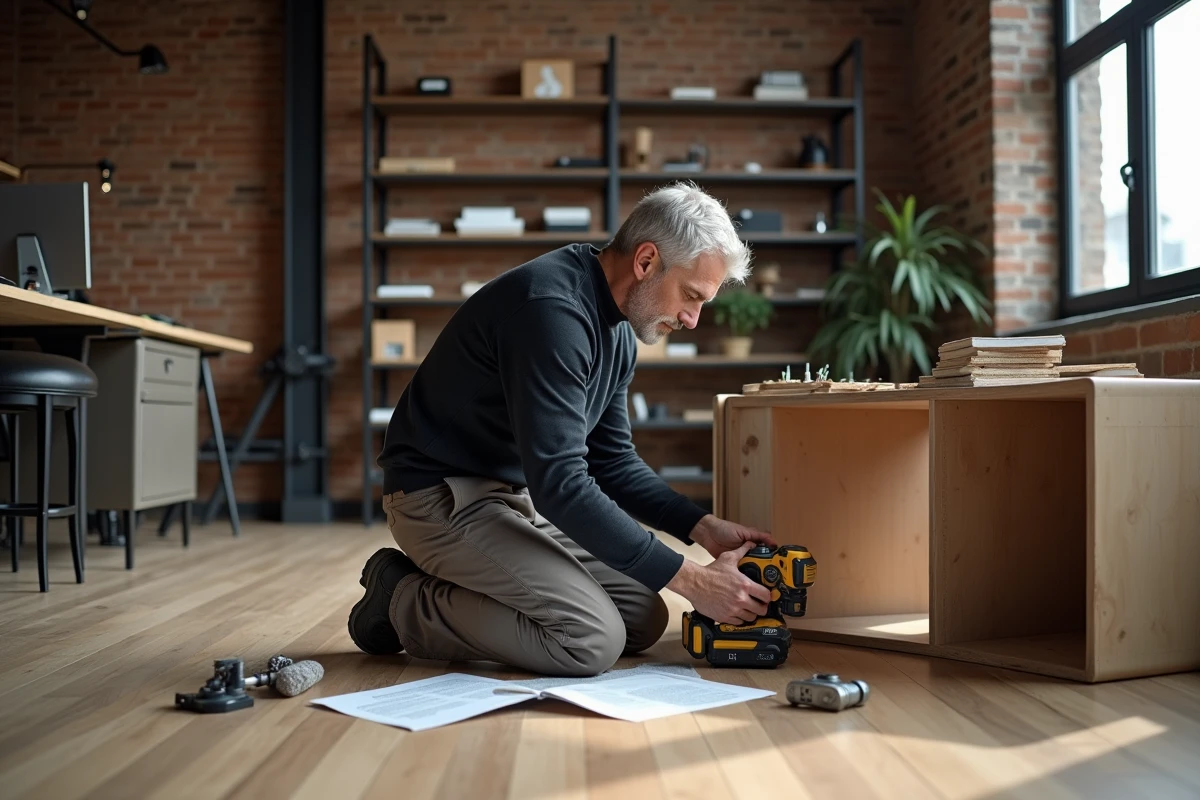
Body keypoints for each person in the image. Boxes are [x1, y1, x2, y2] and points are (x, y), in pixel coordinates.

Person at [348, 181, 777, 677]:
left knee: (642, 616)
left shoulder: (619, 328)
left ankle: (473, 582)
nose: (693, 318)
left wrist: (701, 528)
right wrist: (695, 582)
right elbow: (562, 486)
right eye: (690, 295)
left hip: (510, 498)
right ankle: (400, 598)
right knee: (590, 640)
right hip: (438, 498)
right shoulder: (551, 312)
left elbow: (611, 460)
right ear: (646, 261)